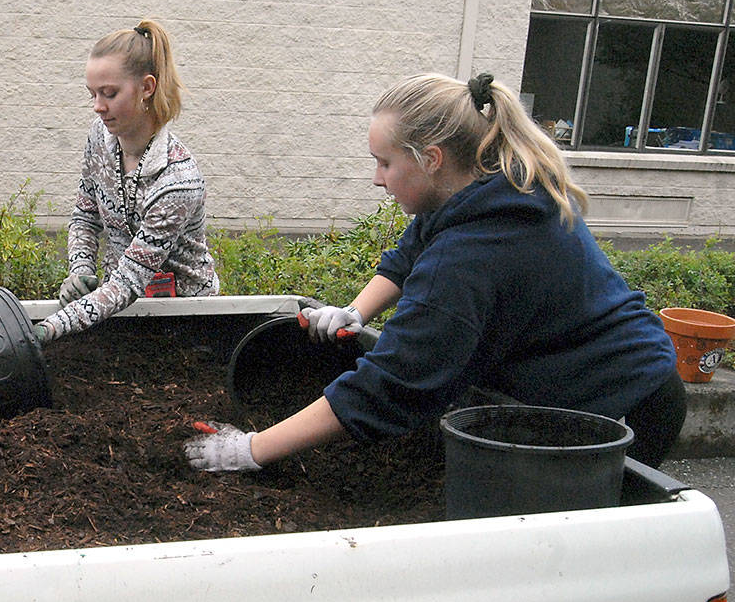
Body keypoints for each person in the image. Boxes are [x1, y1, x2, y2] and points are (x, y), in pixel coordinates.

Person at [186, 72, 685, 472]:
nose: (376, 179)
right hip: (588, 376)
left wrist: (250, 449)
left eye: (384, 163)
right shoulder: (488, 187)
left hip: (621, 398)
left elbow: (394, 384)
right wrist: (353, 312)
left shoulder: (470, 257)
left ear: (431, 159)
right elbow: (409, 253)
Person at [33, 19, 218, 344]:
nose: (97, 107)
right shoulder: (99, 139)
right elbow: (85, 217)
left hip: (187, 322)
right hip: (117, 310)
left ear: (147, 87)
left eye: (109, 93)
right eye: (92, 93)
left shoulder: (178, 180)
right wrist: (80, 270)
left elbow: (129, 282)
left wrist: (46, 329)